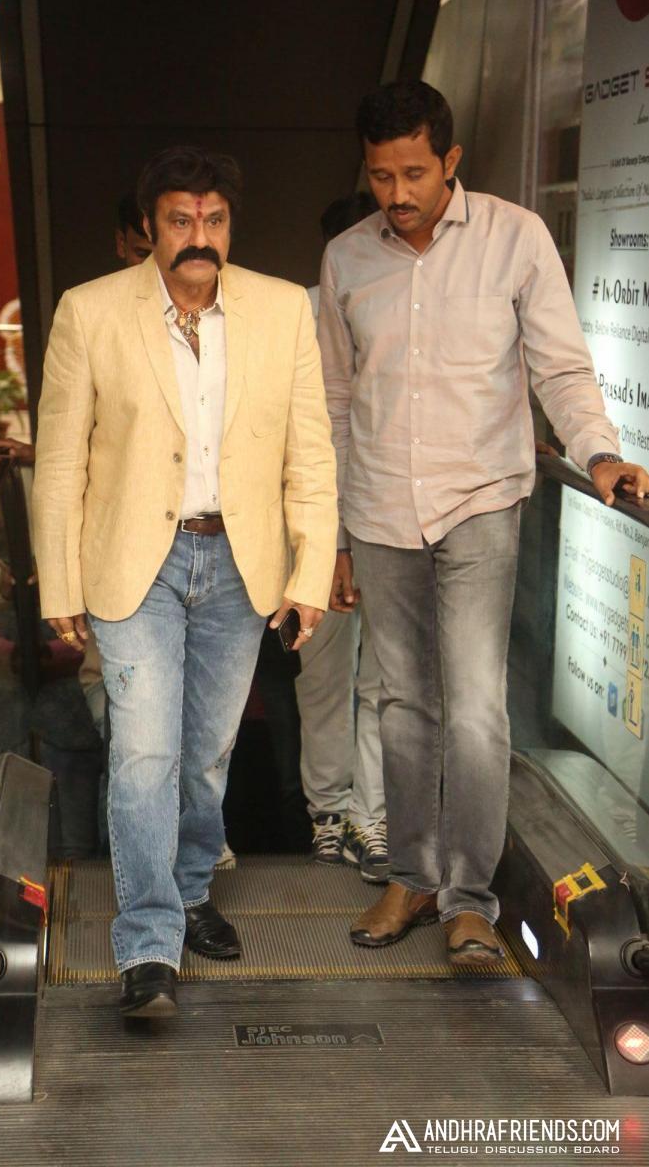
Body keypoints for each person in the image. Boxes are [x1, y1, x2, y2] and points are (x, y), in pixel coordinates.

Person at [319, 80, 649, 966]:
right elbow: (335, 403)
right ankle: (411, 877)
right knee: (401, 707)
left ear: (451, 161)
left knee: (473, 708)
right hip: (379, 505)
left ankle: (469, 899)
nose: (397, 193)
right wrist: (335, 536)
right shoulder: (346, 258)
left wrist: (599, 453)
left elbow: (560, 367)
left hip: (480, 501)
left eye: (414, 173)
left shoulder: (515, 236)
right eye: (381, 175)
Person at [32, 145, 337, 1017]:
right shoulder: (89, 311)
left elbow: (310, 450)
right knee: (142, 753)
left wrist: (310, 571)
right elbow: (59, 463)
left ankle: (193, 886)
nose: (198, 235)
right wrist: (59, 587)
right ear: (150, 227)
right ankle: (148, 940)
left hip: (240, 561)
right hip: (137, 564)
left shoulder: (281, 309)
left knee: (206, 756)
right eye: (179, 220)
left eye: (213, 220)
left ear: (229, 226)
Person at [297, 193, 388, 882]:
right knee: (325, 673)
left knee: (385, 677)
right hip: (317, 522)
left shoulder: (412, 308)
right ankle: (328, 811)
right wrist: (327, 540)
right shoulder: (299, 315)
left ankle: (369, 815)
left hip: (392, 517)